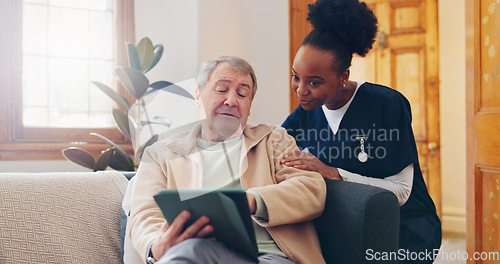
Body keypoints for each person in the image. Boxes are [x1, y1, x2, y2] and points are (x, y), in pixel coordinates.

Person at [280, 0, 441, 263]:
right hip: (346, 228)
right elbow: (274, 150)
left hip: (402, 231)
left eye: (315, 82)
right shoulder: (303, 115)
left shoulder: (387, 104)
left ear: (343, 76)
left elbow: (401, 191)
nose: (301, 90)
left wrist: (331, 172)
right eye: (296, 77)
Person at [127, 56, 327, 264]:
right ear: (198, 95)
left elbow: (310, 189)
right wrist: (155, 246)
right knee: (191, 250)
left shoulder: (274, 141)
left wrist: (251, 200)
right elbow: (145, 213)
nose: (231, 101)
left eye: (242, 94)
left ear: (249, 106)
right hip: (195, 254)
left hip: (270, 257)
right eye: (221, 90)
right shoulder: (161, 154)